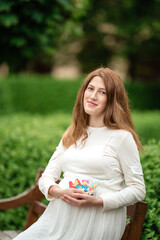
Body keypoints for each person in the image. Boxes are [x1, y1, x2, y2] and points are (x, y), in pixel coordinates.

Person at [13, 67, 146, 240]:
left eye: (102, 92)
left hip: (98, 221)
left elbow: (138, 189)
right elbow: (46, 178)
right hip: (59, 219)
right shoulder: (73, 132)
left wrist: (99, 201)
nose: (92, 96)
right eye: (90, 89)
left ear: (113, 99)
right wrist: (58, 191)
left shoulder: (122, 137)